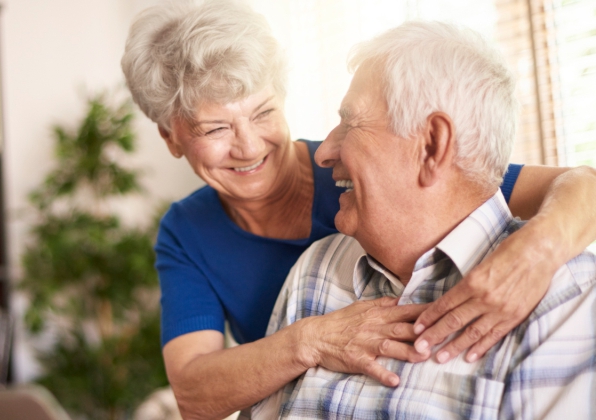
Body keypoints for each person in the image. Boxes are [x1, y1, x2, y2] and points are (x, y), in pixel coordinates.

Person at [120, 1, 596, 418]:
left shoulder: (373, 173)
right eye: (214, 129)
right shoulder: (204, 236)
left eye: (263, 113)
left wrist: (535, 252)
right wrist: (311, 340)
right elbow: (195, 393)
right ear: (171, 137)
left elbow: (560, 185)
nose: (247, 147)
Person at [253, 20, 596, 419]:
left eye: (351, 122)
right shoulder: (316, 270)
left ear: (432, 145)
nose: (324, 151)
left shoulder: (566, 303)